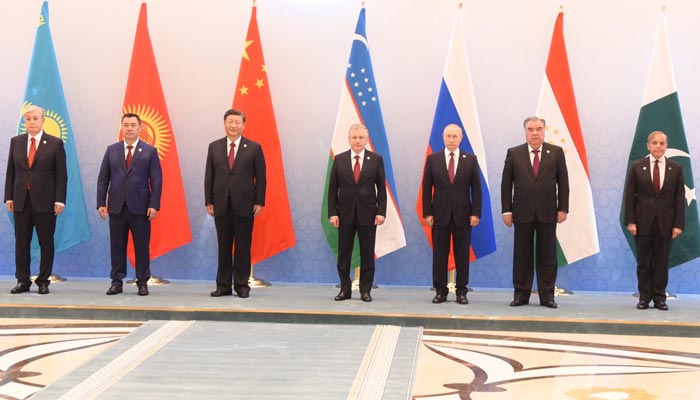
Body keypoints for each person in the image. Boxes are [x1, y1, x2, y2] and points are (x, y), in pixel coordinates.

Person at [501, 116, 569, 308]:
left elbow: (563, 183)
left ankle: (547, 296)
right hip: (522, 212)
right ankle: (521, 295)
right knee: (522, 255)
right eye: (531, 129)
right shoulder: (514, 153)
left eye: (539, 129)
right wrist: (506, 211)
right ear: (525, 131)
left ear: (544, 130)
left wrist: (563, 208)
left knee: (548, 256)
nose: (535, 133)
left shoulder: (555, 152)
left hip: (548, 212)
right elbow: (506, 185)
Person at [97, 113, 162, 296]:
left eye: (133, 125)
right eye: (126, 125)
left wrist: (154, 204)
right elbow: (103, 178)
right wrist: (101, 202)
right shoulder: (112, 150)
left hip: (141, 207)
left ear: (140, 128)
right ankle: (116, 281)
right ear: (122, 127)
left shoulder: (149, 151)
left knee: (141, 245)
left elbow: (156, 179)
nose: (129, 128)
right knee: (117, 246)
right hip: (116, 206)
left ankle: (142, 281)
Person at [4, 105, 67, 295]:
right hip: (21, 201)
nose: (32, 122)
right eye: (28, 119)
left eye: (35, 118)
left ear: (42, 120)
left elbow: (61, 175)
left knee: (46, 242)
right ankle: (22, 280)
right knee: (21, 242)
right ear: (25, 121)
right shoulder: (16, 142)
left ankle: (43, 281)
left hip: (46, 202)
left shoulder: (55, 143)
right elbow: (11, 172)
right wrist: (8, 196)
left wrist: (59, 200)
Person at [205, 108, 266, 298]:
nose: (233, 125)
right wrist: (209, 201)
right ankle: (223, 286)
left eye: (237, 122)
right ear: (224, 123)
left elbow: (261, 178)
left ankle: (241, 285)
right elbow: (209, 176)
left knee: (242, 246)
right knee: (223, 247)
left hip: (245, 205)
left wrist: (259, 202)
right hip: (220, 204)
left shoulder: (254, 148)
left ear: (243, 125)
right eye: (230, 122)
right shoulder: (214, 147)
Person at [624, 131, 685, 311]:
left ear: (666, 146)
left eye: (661, 143)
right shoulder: (637, 166)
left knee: (661, 262)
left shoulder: (676, 168)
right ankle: (644, 298)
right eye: (654, 143)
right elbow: (629, 197)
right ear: (648, 145)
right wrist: (631, 221)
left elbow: (680, 198)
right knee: (644, 262)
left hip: (666, 224)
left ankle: (659, 298)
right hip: (642, 223)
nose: (658, 146)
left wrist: (678, 224)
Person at [422, 124, 482, 305]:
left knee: (462, 254)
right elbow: (426, 189)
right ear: (443, 137)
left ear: (461, 138)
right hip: (439, 215)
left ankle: (461, 292)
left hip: (463, 216)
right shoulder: (433, 159)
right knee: (440, 254)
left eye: (455, 136)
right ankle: (440, 291)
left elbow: (477, 190)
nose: (451, 139)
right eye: (448, 136)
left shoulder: (470, 160)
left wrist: (475, 213)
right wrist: (427, 213)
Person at [327, 124, 386, 302]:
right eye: (354, 137)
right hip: (344, 214)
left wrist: (381, 212)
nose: (358, 141)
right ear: (349, 139)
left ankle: (365, 290)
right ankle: (345, 289)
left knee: (367, 253)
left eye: (361, 138)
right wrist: (333, 213)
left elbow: (381, 189)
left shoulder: (376, 159)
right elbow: (332, 189)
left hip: (368, 214)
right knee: (344, 253)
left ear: (366, 139)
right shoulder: (339, 159)